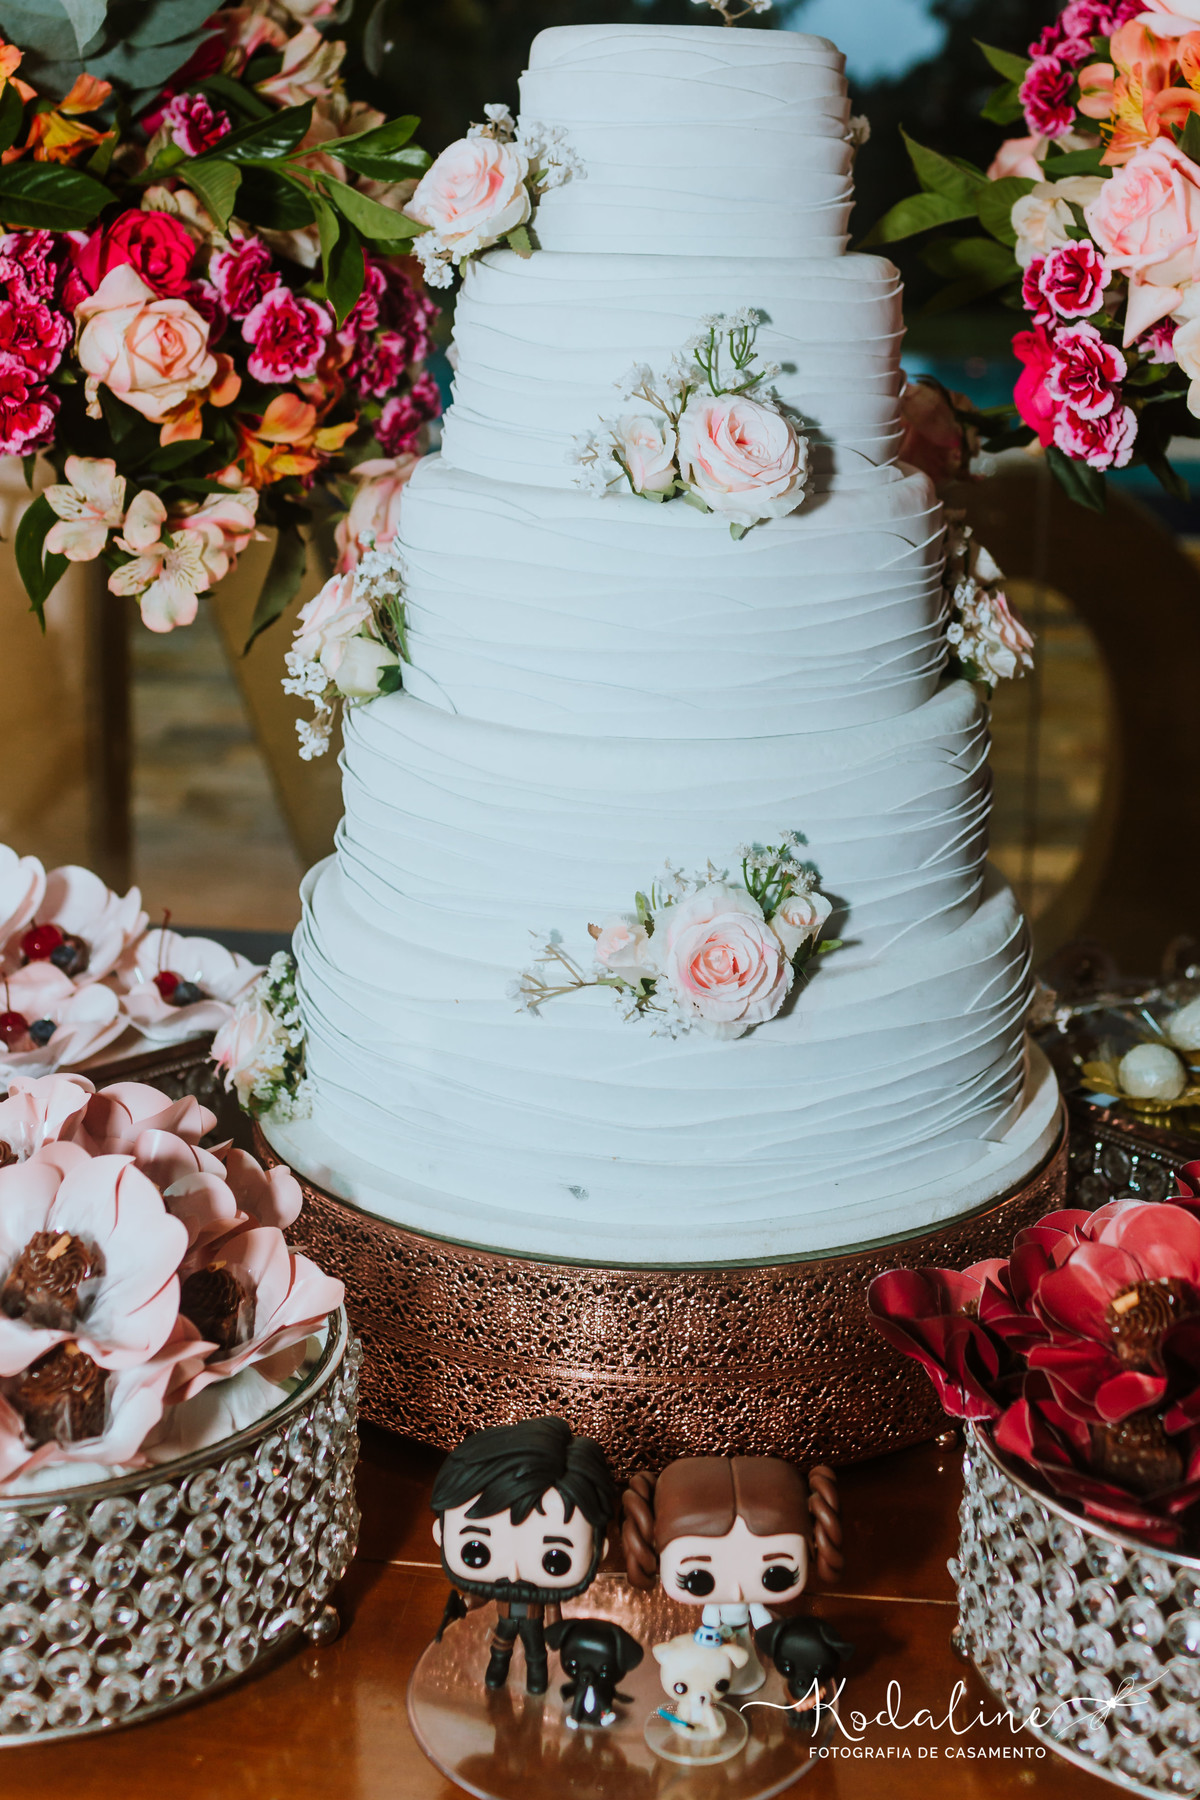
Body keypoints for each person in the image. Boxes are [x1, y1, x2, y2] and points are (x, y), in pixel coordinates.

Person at [621, 1455, 842, 1694]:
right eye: (697, 1579)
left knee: (745, 1656)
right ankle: (722, 1677)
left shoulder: (750, 1606)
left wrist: (769, 1635)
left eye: (777, 1575)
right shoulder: (715, 1608)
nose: (736, 1590)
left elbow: (762, 1622)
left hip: (743, 1633)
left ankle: (745, 1677)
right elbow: (711, 1621)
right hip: (722, 1635)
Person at [431, 1415, 618, 1694]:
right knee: (500, 1647)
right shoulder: (499, 1588)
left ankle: (536, 1680)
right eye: (476, 1551)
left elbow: (554, 1613)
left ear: (598, 1549)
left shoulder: (544, 1596)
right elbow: (478, 1598)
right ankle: (497, 1672)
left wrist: (560, 1634)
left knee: (536, 1652)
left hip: (533, 1622)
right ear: (440, 1535)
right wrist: (463, 1604)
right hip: (505, 1620)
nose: (514, 1573)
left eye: (555, 1559)